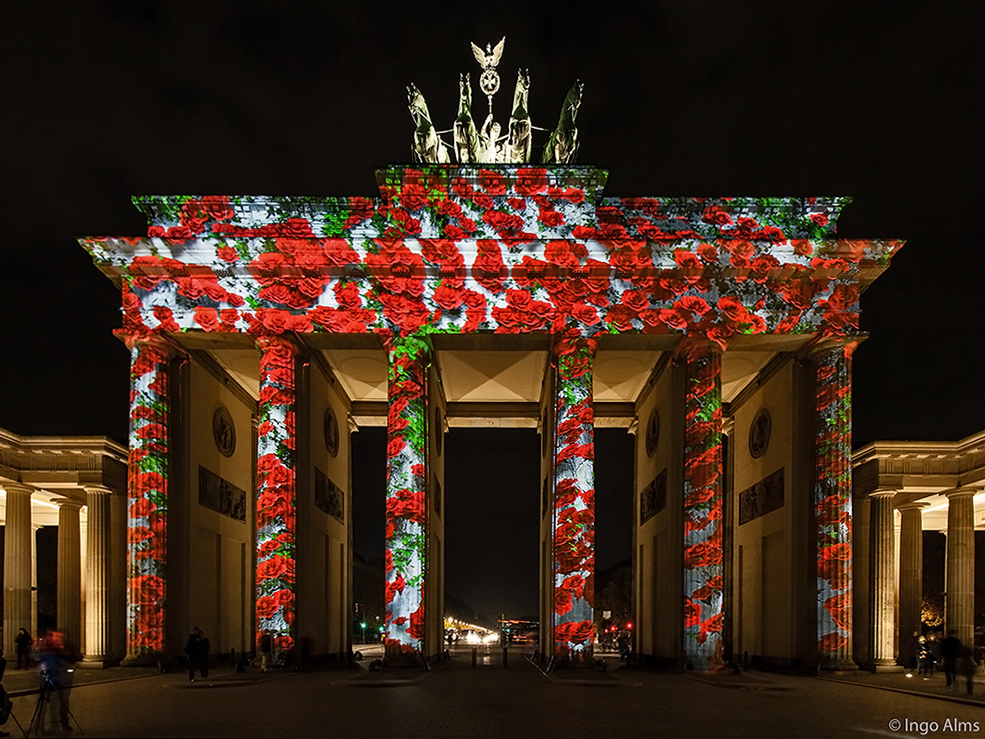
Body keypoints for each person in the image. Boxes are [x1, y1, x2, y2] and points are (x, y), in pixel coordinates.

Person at [37, 630, 72, 734]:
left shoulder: (57, 653)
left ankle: (55, 725)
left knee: (55, 704)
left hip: (57, 681)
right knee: (51, 704)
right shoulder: (52, 653)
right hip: (53, 681)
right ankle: (51, 725)